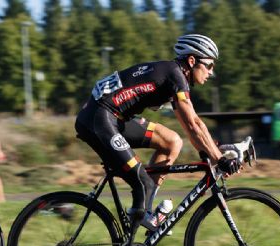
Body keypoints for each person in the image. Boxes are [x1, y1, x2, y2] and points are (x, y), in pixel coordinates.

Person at [75, 34, 240, 231]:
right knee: (142, 182)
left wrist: (214, 151)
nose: (211, 72)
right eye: (209, 65)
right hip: (99, 120)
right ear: (192, 60)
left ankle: (145, 214)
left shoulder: (172, 74)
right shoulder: (175, 75)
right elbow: (194, 124)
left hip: (112, 118)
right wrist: (219, 158)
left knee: (171, 141)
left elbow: (191, 128)